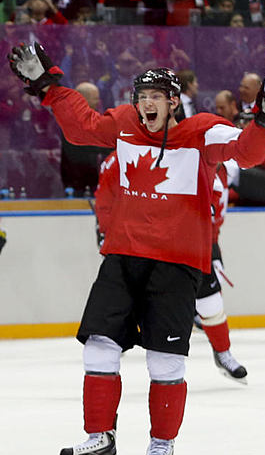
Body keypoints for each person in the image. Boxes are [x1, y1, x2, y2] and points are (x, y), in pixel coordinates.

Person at [8, 48, 265, 455]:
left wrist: (263, 118)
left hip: (176, 264)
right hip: (123, 256)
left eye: (156, 96)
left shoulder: (202, 131)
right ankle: (99, 439)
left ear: (174, 101)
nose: (147, 104)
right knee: (99, 344)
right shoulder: (125, 125)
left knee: (165, 360)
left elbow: (245, 153)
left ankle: (161, 441)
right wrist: (48, 86)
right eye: (142, 96)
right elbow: (83, 127)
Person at [94, 154, 247, 383]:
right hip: (142, 239)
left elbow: (213, 192)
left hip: (192, 238)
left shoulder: (186, 150)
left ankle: (223, 352)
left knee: (210, 302)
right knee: (132, 296)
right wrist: (105, 229)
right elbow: (106, 196)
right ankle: (117, 341)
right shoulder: (119, 156)